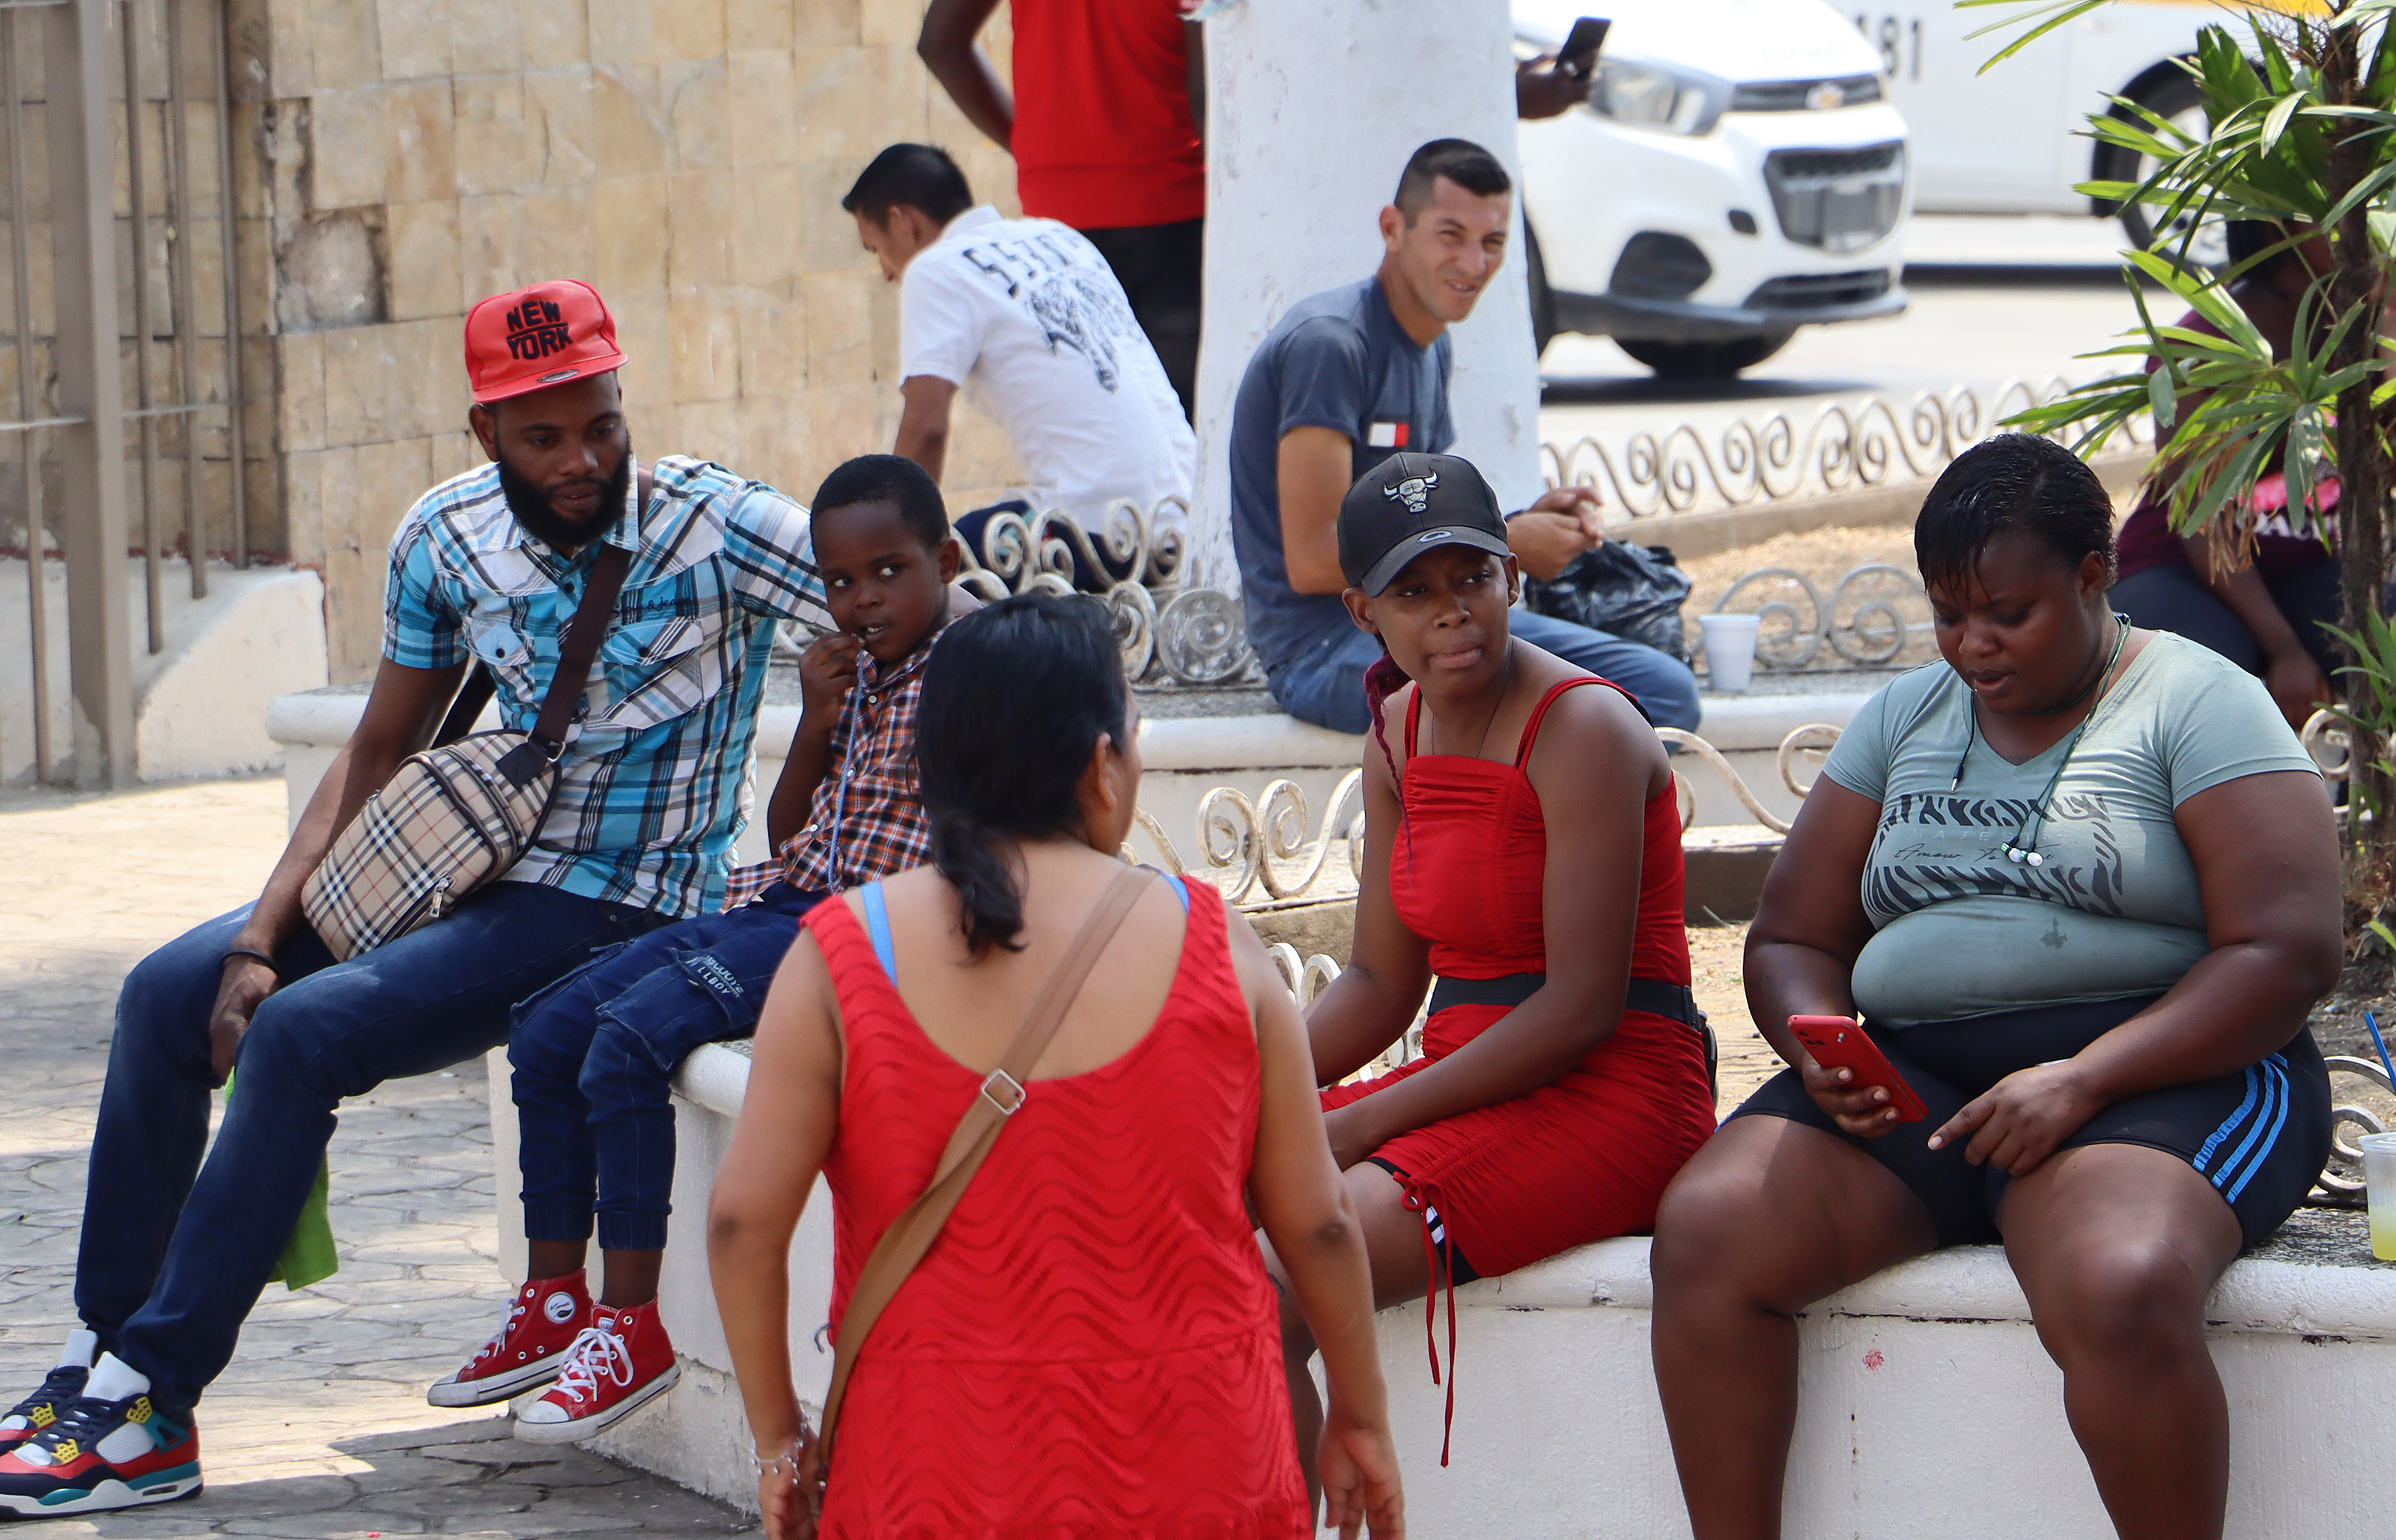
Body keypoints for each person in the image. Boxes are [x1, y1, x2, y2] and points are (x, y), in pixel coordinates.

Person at [0, 279, 831, 1519]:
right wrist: (259, 930)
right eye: (541, 436)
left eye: (599, 422)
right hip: (460, 866)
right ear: (483, 432)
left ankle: (154, 1400)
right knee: (167, 993)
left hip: (626, 901)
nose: (580, 458)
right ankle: (104, 1359)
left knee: (305, 1031)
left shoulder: (718, 526)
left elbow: (917, 597)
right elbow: (380, 749)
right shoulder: (444, 535)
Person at [1649, 433, 2340, 1540]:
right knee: (1708, 1230)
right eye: (1948, 613)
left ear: (2092, 577)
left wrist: (2079, 1079)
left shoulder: (2197, 703)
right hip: (1919, 1080)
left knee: (2121, 1283)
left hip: (2159, 1069)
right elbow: (1789, 933)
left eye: (2007, 614)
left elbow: (2290, 952)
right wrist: (1815, 1044)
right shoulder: (1905, 719)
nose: (1973, 644)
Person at [707, 594, 1405, 1540]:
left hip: (932, 1464)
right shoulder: (1212, 941)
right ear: (1099, 764)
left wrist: (779, 1435)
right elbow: (1318, 1222)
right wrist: (1359, 1416)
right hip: (1198, 1457)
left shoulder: (840, 955)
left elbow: (744, 1220)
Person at [425, 455, 958, 1442]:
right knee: (545, 1027)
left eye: (887, 572)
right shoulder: (864, 669)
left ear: (947, 559)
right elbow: (800, 832)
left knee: (628, 1038)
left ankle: (632, 1328)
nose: (860, 600)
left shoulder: (970, 674)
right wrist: (814, 723)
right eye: (839, 582)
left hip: (856, 933)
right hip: (783, 901)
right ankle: (554, 1301)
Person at [1286, 451, 1717, 1479]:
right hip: (1461, 1081)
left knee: (1285, 1261)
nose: (1453, 613)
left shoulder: (1584, 727)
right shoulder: (1393, 733)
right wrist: (1243, 1087)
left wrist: (1363, 1120)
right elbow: (1381, 987)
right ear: (1362, 611)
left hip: (1610, 1090)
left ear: (1513, 579)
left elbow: (1580, 1009)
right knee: (1204, 1222)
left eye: (1473, 578)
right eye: (1414, 592)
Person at [1227, 138, 1701, 736]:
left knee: (1663, 693)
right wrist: (1510, 545)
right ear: (1393, 228)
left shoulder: (1431, 345)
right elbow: (1315, 558)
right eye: (1451, 236)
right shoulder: (1332, 344)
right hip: (1324, 649)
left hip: (1434, 619)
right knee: (1592, 714)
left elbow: (1422, 515)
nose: (1474, 264)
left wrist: (1523, 524)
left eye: (1493, 242)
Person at [844, 143, 1197, 593]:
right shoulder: (1060, 237)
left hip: (1099, 536)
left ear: (902, 221)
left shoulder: (935, 269)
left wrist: (886, 556)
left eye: (876, 248)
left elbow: (926, 428)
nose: (887, 272)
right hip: (1188, 517)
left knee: (944, 572)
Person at [917, 0, 1206, 419]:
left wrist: (1029, 147)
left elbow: (940, 42)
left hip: (1055, 228)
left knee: (1090, 432)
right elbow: (1206, 94)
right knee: (1189, 433)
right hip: (1172, 214)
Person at [2110, 219, 2343, 728]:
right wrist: (2284, 649)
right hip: (2184, 565)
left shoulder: (2364, 329)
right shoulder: (2199, 343)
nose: (2360, 223)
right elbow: (2200, 517)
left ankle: (2365, 801)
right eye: (2332, 211)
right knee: (2213, 675)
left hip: (2309, 563)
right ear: (2272, 231)